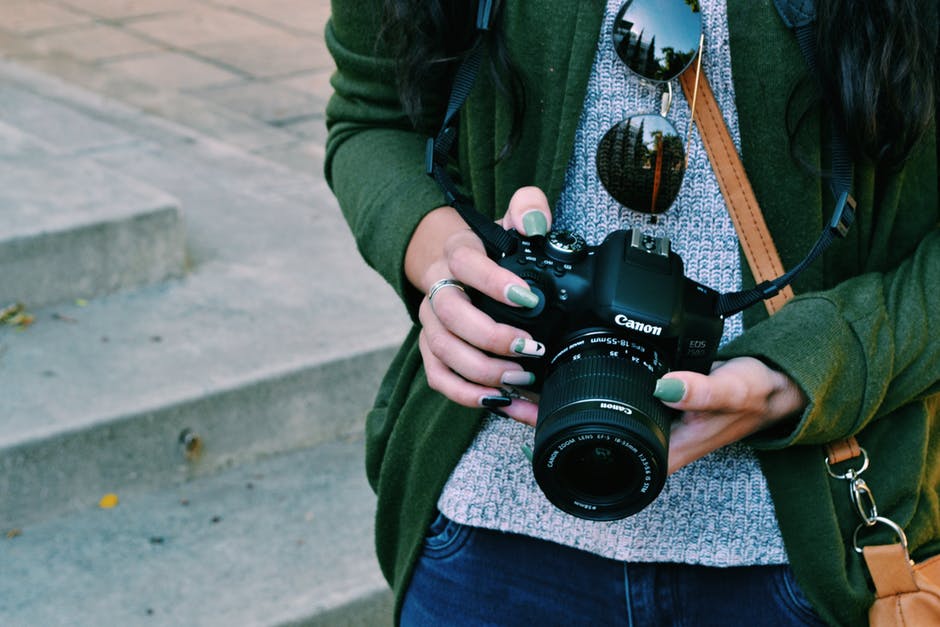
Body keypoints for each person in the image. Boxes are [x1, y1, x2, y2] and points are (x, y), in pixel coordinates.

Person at [325, 0, 938, 624]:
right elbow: (372, 115)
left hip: (805, 558)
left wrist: (813, 364)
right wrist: (447, 261)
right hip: (485, 539)